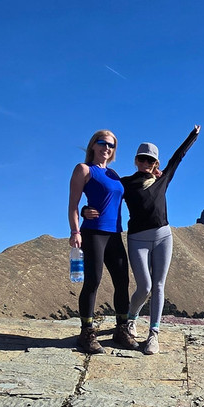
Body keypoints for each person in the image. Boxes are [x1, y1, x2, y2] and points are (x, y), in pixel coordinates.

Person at [82, 124, 201, 355]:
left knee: (158, 285)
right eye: (142, 159)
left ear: (156, 163)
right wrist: (85, 209)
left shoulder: (162, 178)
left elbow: (179, 156)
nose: (146, 164)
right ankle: (130, 319)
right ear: (136, 160)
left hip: (163, 236)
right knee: (144, 286)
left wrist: (193, 135)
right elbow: (104, 194)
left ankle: (154, 335)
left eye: (151, 161)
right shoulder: (124, 183)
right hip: (137, 239)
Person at [68, 130, 140, 354]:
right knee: (93, 281)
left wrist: (154, 175)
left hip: (115, 234)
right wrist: (75, 230)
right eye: (103, 143)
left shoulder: (113, 174)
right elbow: (72, 204)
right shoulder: (83, 169)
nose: (107, 148)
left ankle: (121, 330)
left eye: (111, 145)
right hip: (94, 234)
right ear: (93, 145)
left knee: (122, 281)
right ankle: (86, 333)